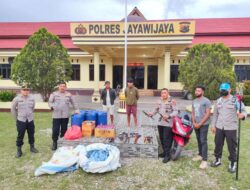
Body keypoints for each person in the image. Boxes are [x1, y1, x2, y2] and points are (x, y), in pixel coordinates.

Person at [211, 83, 247, 173]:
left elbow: (243, 111)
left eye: (224, 90)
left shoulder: (235, 100)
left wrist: (242, 115)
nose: (223, 91)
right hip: (219, 126)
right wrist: (213, 125)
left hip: (231, 127)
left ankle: (232, 163)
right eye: (221, 90)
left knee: (232, 146)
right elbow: (215, 114)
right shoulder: (218, 101)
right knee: (218, 144)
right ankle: (217, 159)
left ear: (230, 90)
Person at [148, 88, 178, 163]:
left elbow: (176, 111)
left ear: (168, 93)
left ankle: (168, 155)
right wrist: (152, 113)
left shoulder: (172, 101)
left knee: (166, 139)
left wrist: (169, 116)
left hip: (168, 123)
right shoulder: (159, 101)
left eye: (165, 93)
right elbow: (156, 109)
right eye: (162, 93)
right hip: (160, 123)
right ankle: (165, 152)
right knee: (161, 138)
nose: (163, 94)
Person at [48, 82, 79, 150]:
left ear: (66, 87)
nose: (62, 87)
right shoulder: (54, 94)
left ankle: (62, 142)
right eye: (61, 86)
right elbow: (50, 102)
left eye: (64, 86)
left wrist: (76, 109)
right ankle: (55, 143)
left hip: (65, 115)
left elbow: (74, 102)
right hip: (56, 115)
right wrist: (52, 106)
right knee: (55, 130)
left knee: (64, 129)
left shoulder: (69, 94)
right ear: (58, 87)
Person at [11, 85, 39, 158]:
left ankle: (32, 147)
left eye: (27, 90)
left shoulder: (32, 99)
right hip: (21, 120)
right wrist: (16, 119)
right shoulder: (16, 99)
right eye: (24, 90)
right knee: (20, 135)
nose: (26, 91)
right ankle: (19, 150)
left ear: (29, 91)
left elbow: (33, 108)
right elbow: (13, 109)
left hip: (30, 120)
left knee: (31, 134)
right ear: (21, 91)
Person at [191, 85, 211, 169]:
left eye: (198, 91)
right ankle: (200, 155)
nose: (196, 92)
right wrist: (194, 122)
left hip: (204, 124)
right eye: (196, 90)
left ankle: (204, 160)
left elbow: (208, 113)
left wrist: (200, 123)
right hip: (196, 124)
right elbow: (193, 112)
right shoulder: (194, 101)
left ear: (202, 92)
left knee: (203, 141)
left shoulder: (206, 101)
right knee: (199, 140)